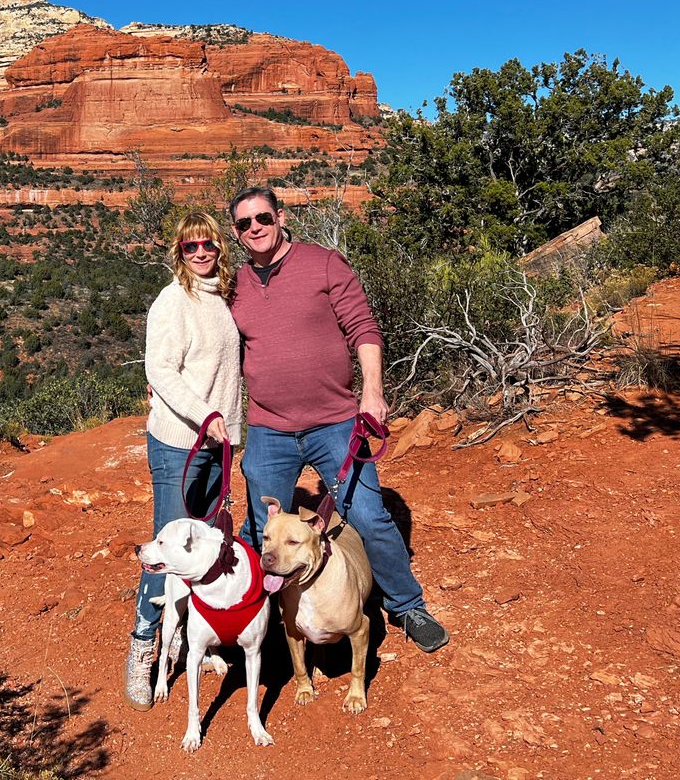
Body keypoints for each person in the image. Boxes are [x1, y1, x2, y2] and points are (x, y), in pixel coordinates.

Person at [227, 185, 449, 653]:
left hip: (335, 423)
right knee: (257, 530)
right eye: (245, 224)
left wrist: (372, 390)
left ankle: (407, 606)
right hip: (269, 428)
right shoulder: (236, 284)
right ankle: (255, 621)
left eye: (263, 218)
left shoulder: (324, 262)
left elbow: (363, 327)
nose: (256, 229)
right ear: (236, 231)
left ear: (281, 216)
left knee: (368, 516)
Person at [125, 210, 243, 710]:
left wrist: (230, 432)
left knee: (206, 541)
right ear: (179, 252)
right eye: (191, 246)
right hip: (179, 442)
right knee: (168, 544)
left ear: (220, 247)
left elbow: (231, 372)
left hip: (217, 443)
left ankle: (195, 634)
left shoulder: (225, 297)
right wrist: (205, 414)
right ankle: (143, 645)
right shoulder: (173, 301)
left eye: (208, 245)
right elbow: (161, 371)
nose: (200, 253)